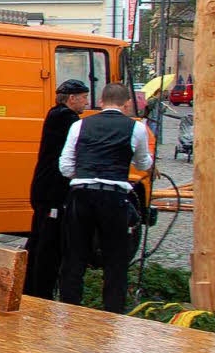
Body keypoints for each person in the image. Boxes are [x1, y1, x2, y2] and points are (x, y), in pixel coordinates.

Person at [59, 82, 153, 313]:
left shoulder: (80, 125)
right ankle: (112, 311)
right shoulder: (136, 128)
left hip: (82, 192)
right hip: (114, 196)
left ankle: (70, 307)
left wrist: (86, 173)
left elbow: (65, 166)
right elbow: (143, 164)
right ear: (127, 103)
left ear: (101, 102)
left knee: (75, 254)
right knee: (115, 257)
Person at [22, 80, 89, 298]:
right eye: (84, 97)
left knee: (39, 238)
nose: (86, 102)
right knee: (47, 243)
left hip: (43, 187)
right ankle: (40, 290)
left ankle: (30, 284)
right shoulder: (66, 118)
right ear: (72, 98)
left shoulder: (55, 114)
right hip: (52, 190)